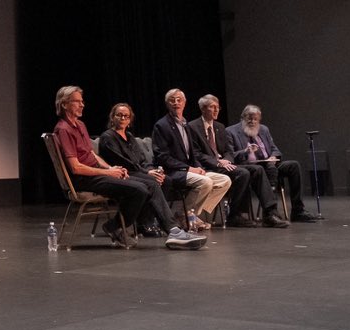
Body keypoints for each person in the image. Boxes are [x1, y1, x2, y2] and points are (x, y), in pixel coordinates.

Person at [53, 86, 204, 250]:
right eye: (77, 101)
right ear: (64, 104)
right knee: (139, 189)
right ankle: (116, 226)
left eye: (82, 101)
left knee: (152, 183)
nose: (82, 105)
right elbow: (76, 167)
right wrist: (108, 172)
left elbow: (91, 154)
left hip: (98, 174)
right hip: (85, 179)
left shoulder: (80, 125)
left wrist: (112, 168)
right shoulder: (63, 129)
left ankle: (173, 230)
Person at [97, 103, 207, 249]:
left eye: (126, 116)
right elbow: (124, 163)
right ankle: (172, 229)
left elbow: (142, 160)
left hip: (137, 172)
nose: (123, 118)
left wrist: (152, 170)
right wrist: (147, 173)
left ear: (130, 120)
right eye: (119, 115)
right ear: (112, 117)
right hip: (120, 174)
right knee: (151, 182)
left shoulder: (129, 136)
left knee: (165, 180)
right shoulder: (108, 137)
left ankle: (148, 221)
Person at [188, 95, 288, 228]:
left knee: (257, 170)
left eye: (218, 107)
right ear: (203, 109)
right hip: (209, 166)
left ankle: (270, 213)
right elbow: (196, 154)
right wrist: (218, 162)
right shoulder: (193, 127)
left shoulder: (219, 126)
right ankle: (235, 215)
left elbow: (228, 151)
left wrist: (226, 160)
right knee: (243, 173)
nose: (216, 110)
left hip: (225, 164)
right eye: (212, 107)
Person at [152, 88, 231, 229]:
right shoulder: (162, 125)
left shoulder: (185, 124)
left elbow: (192, 153)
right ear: (167, 104)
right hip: (173, 172)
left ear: (184, 103)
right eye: (172, 100)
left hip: (190, 170)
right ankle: (187, 216)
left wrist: (197, 167)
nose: (176, 103)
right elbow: (162, 156)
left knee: (224, 180)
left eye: (179, 100)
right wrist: (189, 168)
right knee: (205, 182)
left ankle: (188, 214)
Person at [225, 105, 319, 223]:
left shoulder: (264, 129)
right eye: (249, 119)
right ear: (242, 118)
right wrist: (245, 151)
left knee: (293, 165)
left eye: (255, 119)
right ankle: (270, 212)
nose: (252, 122)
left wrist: (274, 156)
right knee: (265, 170)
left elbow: (274, 148)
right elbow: (229, 155)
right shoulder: (231, 131)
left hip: (268, 163)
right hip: (249, 166)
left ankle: (298, 211)